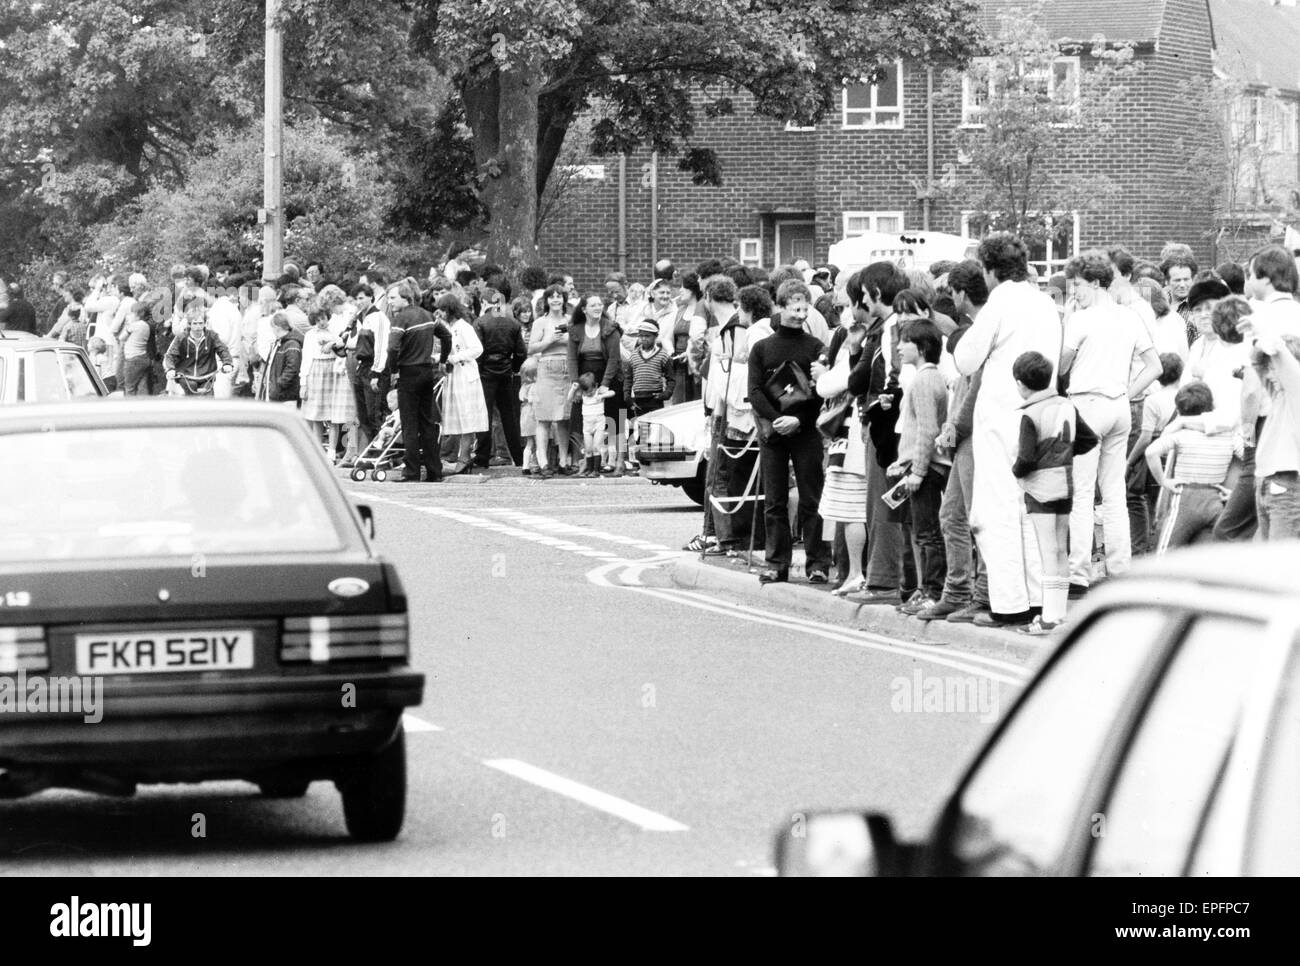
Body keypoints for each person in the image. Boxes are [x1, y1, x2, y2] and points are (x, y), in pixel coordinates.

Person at [952, 233, 1063, 627]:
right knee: (1031, 507)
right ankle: (1037, 599)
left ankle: (1008, 603)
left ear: (989, 269)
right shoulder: (1045, 302)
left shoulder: (999, 302)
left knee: (996, 509)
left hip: (1001, 416)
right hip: (1042, 412)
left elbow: (966, 360)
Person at [1058, 250, 1161, 595]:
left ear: (1097, 283)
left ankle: (1079, 574)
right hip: (1118, 407)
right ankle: (1120, 571)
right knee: (1114, 493)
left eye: (1079, 285)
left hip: (1086, 405)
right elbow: (1155, 367)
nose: (1074, 292)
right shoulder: (1130, 317)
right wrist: (1127, 393)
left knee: (1084, 494)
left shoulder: (1080, 320)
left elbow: (1061, 367)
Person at [920, 260, 990, 623]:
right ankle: (960, 590)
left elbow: (974, 388)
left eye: (952, 292)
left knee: (976, 518)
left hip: (974, 436)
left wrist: (954, 427)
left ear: (962, 293)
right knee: (953, 515)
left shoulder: (978, 332)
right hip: (967, 434)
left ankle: (979, 592)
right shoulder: (973, 329)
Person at [747, 291, 831, 584]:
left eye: (804, 308)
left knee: (812, 497)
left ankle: (818, 563)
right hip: (773, 433)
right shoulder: (761, 348)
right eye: (795, 308)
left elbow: (821, 392)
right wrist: (776, 419)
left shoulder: (816, 347)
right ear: (780, 307)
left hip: (805, 430)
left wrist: (798, 419)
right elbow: (754, 391)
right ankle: (776, 563)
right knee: (775, 500)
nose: (800, 314)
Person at [1009, 351, 1092, 636]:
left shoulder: (1029, 414)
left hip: (1040, 489)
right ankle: (1059, 615)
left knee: (1047, 553)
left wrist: (1014, 472)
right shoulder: (1065, 405)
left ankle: (1048, 617)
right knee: (1060, 550)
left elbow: (1026, 459)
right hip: (1065, 484)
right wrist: (1063, 451)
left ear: (1020, 384)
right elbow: (1089, 439)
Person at [887, 320, 950, 615]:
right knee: (924, 532)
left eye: (905, 341)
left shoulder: (925, 380)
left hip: (925, 467)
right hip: (919, 464)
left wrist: (918, 471)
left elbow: (927, 429)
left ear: (922, 347)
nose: (899, 347)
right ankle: (927, 589)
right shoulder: (929, 377)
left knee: (928, 533)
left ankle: (933, 591)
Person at [1145, 382, 1234, 550]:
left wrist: (1163, 481)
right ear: (1211, 406)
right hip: (1215, 496)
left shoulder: (1182, 434)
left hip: (1185, 497)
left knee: (1166, 551)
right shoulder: (1228, 435)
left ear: (1179, 410)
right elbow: (1249, 454)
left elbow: (1151, 452)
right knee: (1212, 550)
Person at [380, 281, 453, 482]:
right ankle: (434, 471)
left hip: (408, 373)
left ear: (406, 298)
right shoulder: (428, 315)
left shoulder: (400, 320)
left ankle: (411, 471)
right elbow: (446, 335)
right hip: (426, 372)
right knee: (428, 423)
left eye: (393, 297)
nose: (389, 301)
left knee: (409, 424)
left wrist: (394, 371)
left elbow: (392, 349)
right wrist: (443, 361)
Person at [1125, 352, 1184, 554]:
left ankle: (1143, 548)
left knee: (1143, 500)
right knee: (1167, 504)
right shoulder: (1186, 395)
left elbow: (1145, 437)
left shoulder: (1153, 400)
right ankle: (1162, 547)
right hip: (1177, 453)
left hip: (1156, 454)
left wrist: (1130, 460)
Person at [567, 292, 624, 475]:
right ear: (584, 309)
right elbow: (572, 359)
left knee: (616, 420)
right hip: (586, 379)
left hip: (609, 375)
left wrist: (606, 383)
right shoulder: (576, 330)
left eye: (600, 304)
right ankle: (586, 462)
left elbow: (614, 358)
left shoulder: (610, 328)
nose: (598, 307)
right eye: (593, 305)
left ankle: (619, 462)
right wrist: (576, 384)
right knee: (581, 419)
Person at [474, 287, 527, 468]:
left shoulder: (480, 322)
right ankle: (519, 458)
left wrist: (479, 370)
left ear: (484, 302)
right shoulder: (512, 323)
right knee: (510, 418)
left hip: (485, 375)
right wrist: (513, 368)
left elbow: (478, 351)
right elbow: (521, 352)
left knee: (484, 416)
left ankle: (482, 458)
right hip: (505, 373)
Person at [437, 293, 489, 473]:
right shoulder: (445, 327)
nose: (441, 313)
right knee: (456, 417)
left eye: (443, 310)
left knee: (467, 416)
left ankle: (464, 456)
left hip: (465, 375)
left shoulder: (463, 326)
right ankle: (456, 455)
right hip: (452, 376)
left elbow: (477, 349)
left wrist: (454, 358)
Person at [528, 284, 575, 478]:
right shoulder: (540, 322)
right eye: (552, 297)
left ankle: (564, 461)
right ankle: (543, 461)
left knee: (564, 417)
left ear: (564, 300)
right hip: (546, 367)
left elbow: (578, 343)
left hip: (566, 368)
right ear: (546, 301)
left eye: (559, 296)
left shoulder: (570, 320)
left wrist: (567, 340)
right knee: (544, 416)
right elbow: (531, 348)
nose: (556, 300)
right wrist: (550, 340)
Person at [164, 305, 234, 396]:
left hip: (207, 376)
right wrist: (170, 369)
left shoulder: (212, 336)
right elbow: (170, 355)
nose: (198, 327)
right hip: (187, 376)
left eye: (201, 323)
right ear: (189, 324)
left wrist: (227, 363)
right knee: (192, 389)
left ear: (205, 323)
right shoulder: (181, 338)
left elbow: (223, 350)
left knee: (208, 397)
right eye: (195, 323)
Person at [623, 319, 675, 420]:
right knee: (643, 428)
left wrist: (666, 393)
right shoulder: (633, 356)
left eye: (647, 336)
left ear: (655, 336)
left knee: (656, 426)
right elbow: (628, 378)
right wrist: (627, 395)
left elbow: (671, 379)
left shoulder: (662, 355)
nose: (644, 339)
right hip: (638, 399)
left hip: (655, 399)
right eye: (641, 336)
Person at [575, 372, 616, 477]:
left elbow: (613, 393)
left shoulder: (598, 393)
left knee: (596, 447)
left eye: (590, 391)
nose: (588, 394)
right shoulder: (583, 395)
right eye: (586, 391)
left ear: (595, 386)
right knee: (588, 449)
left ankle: (596, 470)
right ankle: (589, 469)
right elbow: (569, 398)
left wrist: (602, 395)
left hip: (598, 424)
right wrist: (573, 389)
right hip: (587, 426)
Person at [257, 311, 303, 406]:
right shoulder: (280, 343)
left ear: (277, 328)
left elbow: (292, 368)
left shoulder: (291, 344)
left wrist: (279, 384)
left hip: (286, 396)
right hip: (280, 394)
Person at [519, 357, 540, 475]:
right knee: (539, 443)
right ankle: (540, 465)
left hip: (525, 416)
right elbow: (533, 400)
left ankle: (525, 466)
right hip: (534, 415)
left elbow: (522, 399)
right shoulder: (534, 386)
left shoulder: (523, 387)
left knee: (529, 444)